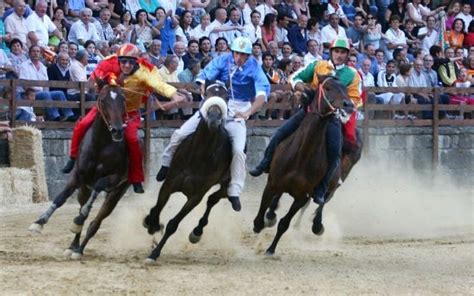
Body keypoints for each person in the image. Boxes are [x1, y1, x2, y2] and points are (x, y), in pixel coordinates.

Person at [155, 36, 270, 212]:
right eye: (236, 53)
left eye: (243, 55)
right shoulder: (223, 59)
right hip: (215, 103)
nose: (239, 57)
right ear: (232, 52)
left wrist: (248, 112)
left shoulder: (255, 67)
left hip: (238, 109)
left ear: (248, 55)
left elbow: (262, 94)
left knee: (239, 150)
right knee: (180, 133)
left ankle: (234, 189)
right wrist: (203, 89)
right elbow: (204, 76)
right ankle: (166, 164)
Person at [61, 43, 187, 194]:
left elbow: (159, 85)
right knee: (82, 124)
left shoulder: (144, 73)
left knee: (133, 140)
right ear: (118, 60)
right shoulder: (109, 63)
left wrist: (173, 95)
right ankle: (73, 158)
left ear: (136, 62)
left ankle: (136, 178)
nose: (126, 65)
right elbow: (96, 77)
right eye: (123, 61)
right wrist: (97, 82)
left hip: (130, 113)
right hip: (107, 108)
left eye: (130, 62)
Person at [249, 37, 362, 205]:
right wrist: (303, 88)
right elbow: (295, 77)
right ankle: (265, 164)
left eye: (343, 52)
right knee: (280, 133)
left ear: (347, 55)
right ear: (331, 52)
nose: (339, 55)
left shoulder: (352, 74)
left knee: (334, 153)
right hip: (309, 112)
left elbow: (356, 99)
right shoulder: (318, 65)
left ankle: (321, 188)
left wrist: (342, 109)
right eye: (336, 51)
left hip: (332, 119)